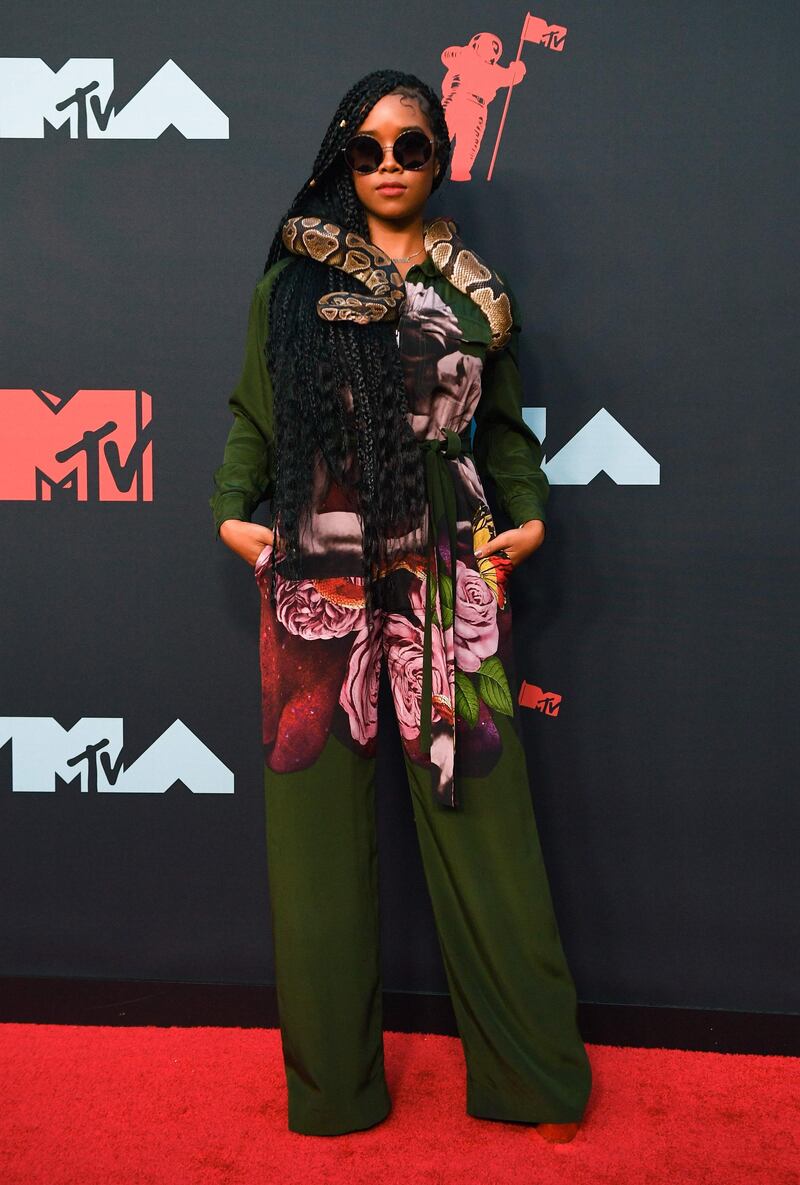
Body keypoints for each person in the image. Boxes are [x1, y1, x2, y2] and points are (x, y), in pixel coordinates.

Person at [209, 69, 592, 1143]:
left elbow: (502, 426)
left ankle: (527, 1081)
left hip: (445, 545)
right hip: (317, 540)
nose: (387, 166)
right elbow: (257, 408)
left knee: (476, 802)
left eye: (408, 147)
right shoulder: (290, 279)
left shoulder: (478, 290)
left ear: (438, 157)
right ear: (342, 155)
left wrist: (525, 508)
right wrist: (229, 512)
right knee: (316, 820)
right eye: (367, 148)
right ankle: (333, 1094)